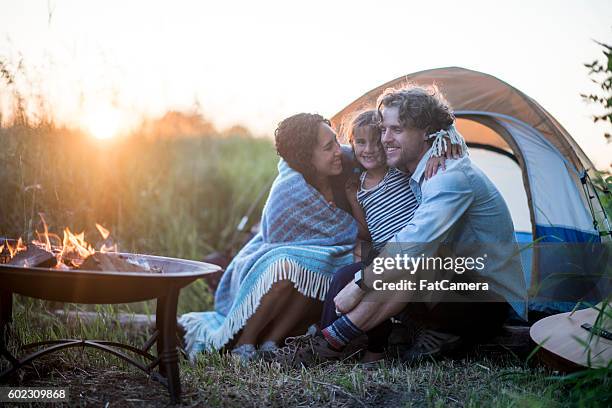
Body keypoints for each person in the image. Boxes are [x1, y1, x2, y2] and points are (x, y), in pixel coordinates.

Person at [278, 85, 527, 366]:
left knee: (411, 259)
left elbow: (412, 244)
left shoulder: (448, 175)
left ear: (426, 132)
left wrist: (360, 285)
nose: (384, 139)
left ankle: (331, 341)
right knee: (381, 265)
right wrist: (449, 134)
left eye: (396, 130)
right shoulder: (416, 161)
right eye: (383, 129)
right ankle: (346, 339)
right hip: (446, 288)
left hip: (486, 301)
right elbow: (349, 149)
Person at [179, 113, 358, 361]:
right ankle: (245, 343)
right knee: (286, 265)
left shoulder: (349, 167)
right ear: (306, 158)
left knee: (314, 267)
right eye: (329, 147)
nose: (339, 150)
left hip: (330, 256)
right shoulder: (289, 189)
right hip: (273, 253)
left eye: (336, 142)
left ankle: (272, 343)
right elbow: (276, 239)